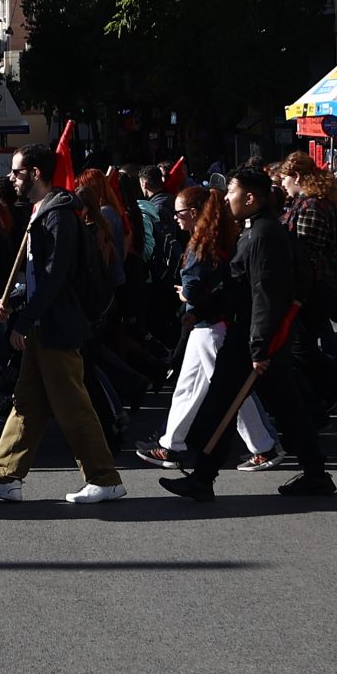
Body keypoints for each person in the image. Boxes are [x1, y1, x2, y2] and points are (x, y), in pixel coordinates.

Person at [159, 166, 334, 502]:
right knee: (252, 404)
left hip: (255, 339)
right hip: (253, 336)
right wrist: (203, 311)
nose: (226, 198)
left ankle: (312, 474)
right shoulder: (254, 231)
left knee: (257, 405)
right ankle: (205, 476)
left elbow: (265, 296)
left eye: (232, 192)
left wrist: (258, 349)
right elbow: (238, 289)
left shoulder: (264, 235)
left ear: (251, 197)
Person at [0, 142, 126, 505]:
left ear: (35, 174)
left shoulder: (57, 215)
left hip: (57, 324)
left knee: (72, 404)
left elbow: (55, 276)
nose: (11, 178)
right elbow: (42, 275)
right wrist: (19, 302)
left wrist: (24, 318)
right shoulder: (46, 211)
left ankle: (104, 478)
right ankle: (5, 477)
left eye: (16, 172)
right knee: (27, 403)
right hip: (46, 324)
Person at [139, 185, 278, 469]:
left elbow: (192, 290)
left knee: (227, 392)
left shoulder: (200, 244)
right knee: (189, 387)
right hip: (211, 324)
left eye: (178, 213)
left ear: (192, 213)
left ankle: (264, 446)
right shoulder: (219, 237)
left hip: (212, 327)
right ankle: (171, 444)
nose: (175, 218)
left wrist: (183, 295)